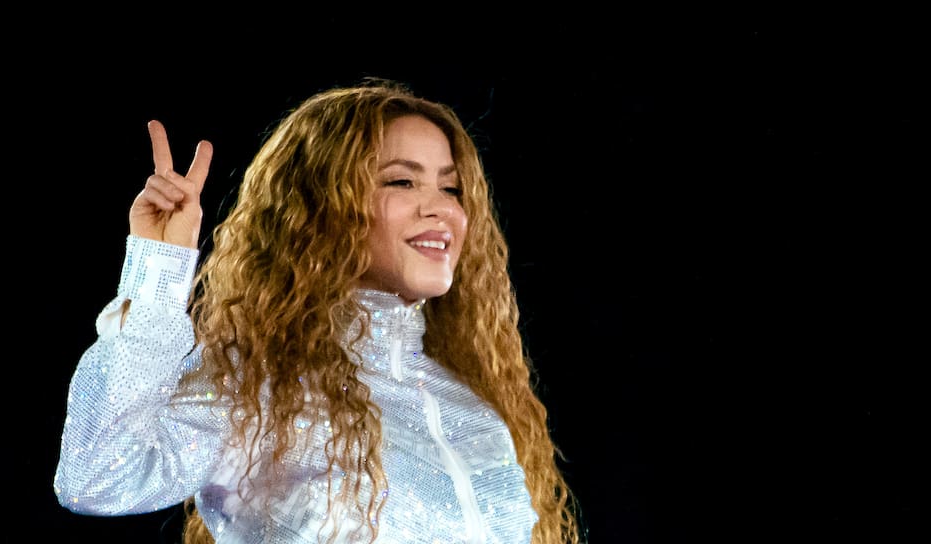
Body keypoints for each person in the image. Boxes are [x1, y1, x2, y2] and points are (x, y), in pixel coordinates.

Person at [54, 78, 582, 543]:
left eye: (451, 187)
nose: (440, 207)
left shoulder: (476, 417)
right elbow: (97, 477)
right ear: (323, 207)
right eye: (402, 181)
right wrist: (157, 271)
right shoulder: (259, 388)